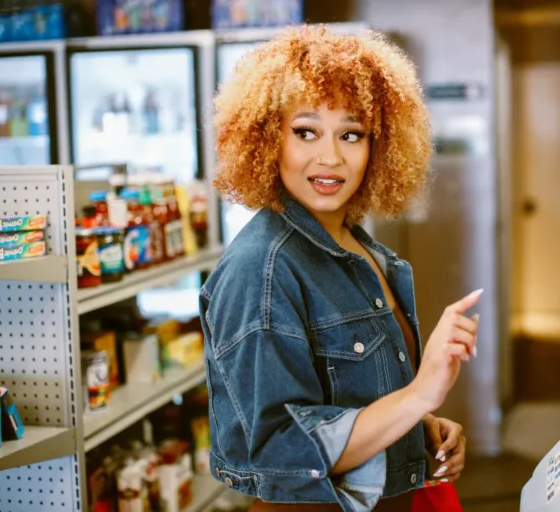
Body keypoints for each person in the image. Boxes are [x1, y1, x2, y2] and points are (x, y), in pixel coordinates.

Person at [200, 25, 481, 512]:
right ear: (268, 138)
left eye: (351, 134)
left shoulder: (361, 249)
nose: (330, 157)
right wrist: (418, 396)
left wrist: (417, 431)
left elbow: (359, 400)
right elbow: (280, 450)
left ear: (378, 146)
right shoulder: (261, 270)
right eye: (305, 131)